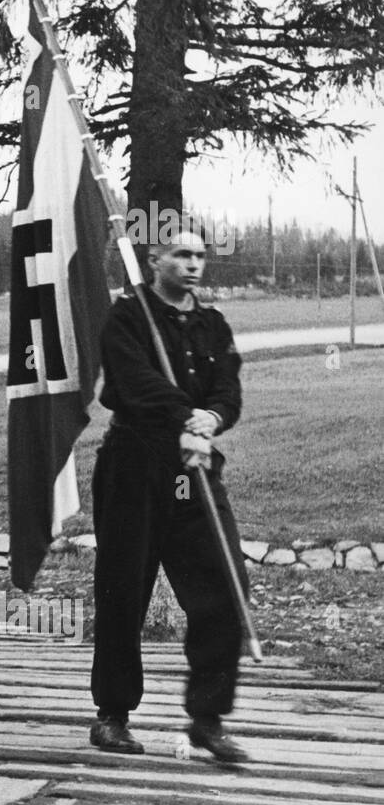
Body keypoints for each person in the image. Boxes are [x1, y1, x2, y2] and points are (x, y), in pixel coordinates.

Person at [89, 230, 248, 764]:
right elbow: (135, 384)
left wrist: (212, 418)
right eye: (181, 254)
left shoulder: (213, 324)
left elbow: (228, 388)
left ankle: (207, 718)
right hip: (134, 465)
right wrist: (185, 417)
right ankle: (112, 715)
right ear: (155, 259)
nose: (193, 264)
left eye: (200, 255)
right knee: (123, 590)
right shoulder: (128, 317)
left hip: (193, 468)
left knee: (225, 584)